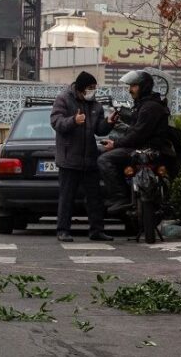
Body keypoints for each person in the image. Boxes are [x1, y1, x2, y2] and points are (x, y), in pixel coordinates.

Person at [97, 69, 173, 212]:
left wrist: (116, 144)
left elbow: (138, 134)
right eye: (130, 86)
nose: (130, 90)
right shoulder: (144, 105)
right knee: (99, 151)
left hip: (146, 149)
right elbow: (134, 130)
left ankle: (120, 197)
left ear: (143, 87)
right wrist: (116, 137)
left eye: (134, 86)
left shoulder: (150, 107)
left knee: (104, 160)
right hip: (140, 147)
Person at [49, 71, 113, 242]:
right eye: (90, 88)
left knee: (95, 197)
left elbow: (99, 129)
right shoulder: (64, 99)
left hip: (90, 158)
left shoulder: (96, 105)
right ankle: (63, 230)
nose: (93, 91)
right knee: (67, 197)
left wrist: (109, 123)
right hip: (69, 159)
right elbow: (56, 122)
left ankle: (97, 231)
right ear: (81, 88)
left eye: (94, 88)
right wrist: (73, 121)